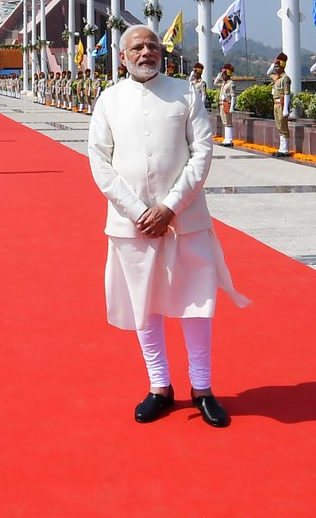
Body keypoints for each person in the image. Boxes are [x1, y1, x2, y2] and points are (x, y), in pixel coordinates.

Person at [88, 26, 247, 427]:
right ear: (122, 57)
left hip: (185, 220)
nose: (146, 52)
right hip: (131, 224)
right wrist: (138, 210)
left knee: (196, 304)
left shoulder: (186, 92)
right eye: (137, 47)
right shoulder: (109, 100)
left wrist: (170, 208)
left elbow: (202, 152)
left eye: (152, 46)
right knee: (145, 306)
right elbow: (99, 162)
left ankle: (203, 387)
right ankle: (159, 386)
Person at [268, 52, 293, 158]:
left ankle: (285, 149)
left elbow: (287, 93)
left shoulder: (285, 78)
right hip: (276, 104)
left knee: (283, 127)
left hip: (282, 105)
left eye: (278, 66)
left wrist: (286, 109)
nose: (275, 67)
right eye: (275, 66)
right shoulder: (277, 78)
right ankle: (281, 148)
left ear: (282, 66)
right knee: (279, 127)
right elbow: (269, 72)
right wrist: (273, 65)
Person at [214, 64, 236, 147]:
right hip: (222, 104)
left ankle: (229, 139)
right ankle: (226, 139)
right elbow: (215, 83)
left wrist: (232, 107)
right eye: (222, 75)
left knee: (228, 122)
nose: (222, 76)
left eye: (224, 75)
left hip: (227, 103)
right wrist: (218, 76)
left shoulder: (231, 84)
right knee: (224, 122)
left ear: (228, 74)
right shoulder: (223, 83)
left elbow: (233, 95)